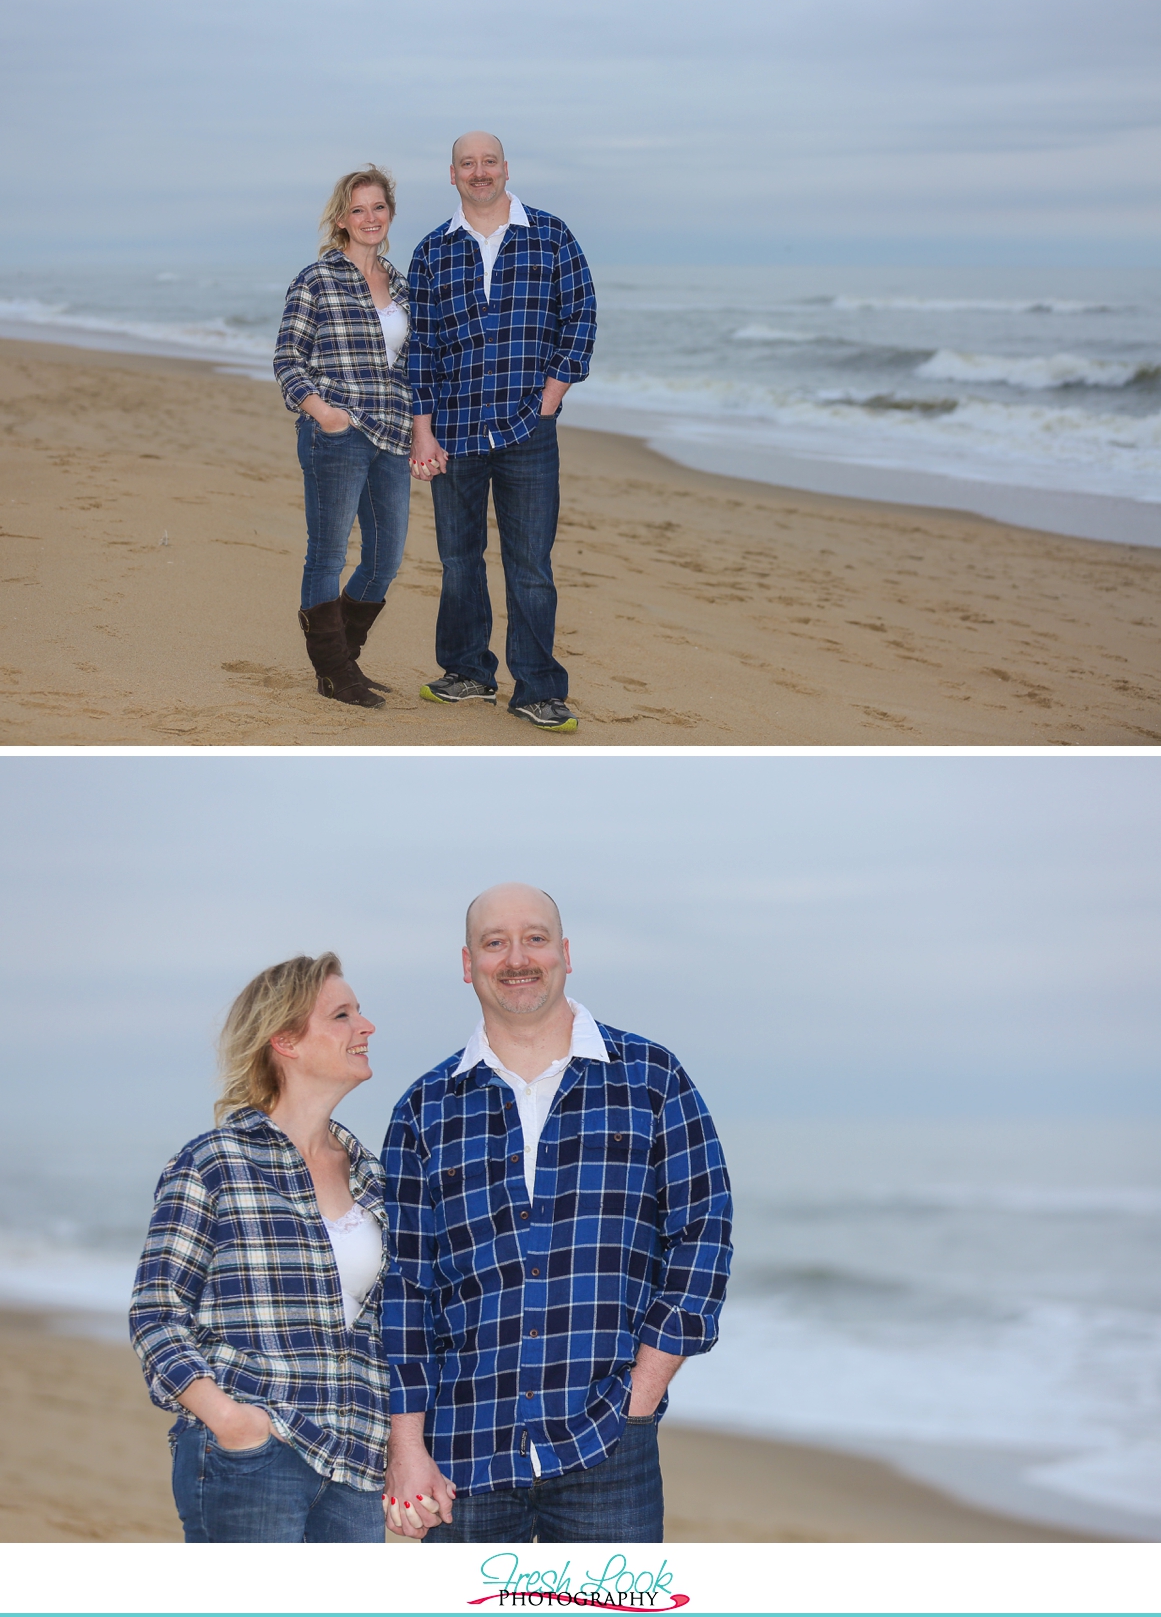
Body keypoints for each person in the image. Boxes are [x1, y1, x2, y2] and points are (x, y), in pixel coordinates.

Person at [379, 884, 732, 1543]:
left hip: (606, 1440)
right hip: (465, 1447)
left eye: (535, 938)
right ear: (467, 963)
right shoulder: (425, 1109)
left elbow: (703, 1236)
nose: (517, 958)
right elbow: (406, 1290)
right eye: (495, 942)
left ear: (565, 953)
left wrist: (641, 1395)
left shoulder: (651, 1081)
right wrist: (407, 1448)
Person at [130, 953, 412, 1542]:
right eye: (342, 1015)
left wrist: (404, 1451)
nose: (367, 1027)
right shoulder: (213, 1163)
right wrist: (231, 1421)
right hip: (254, 1454)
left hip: (355, 1465)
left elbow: (394, 1330)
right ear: (285, 1040)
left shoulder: (375, 1180)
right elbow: (156, 1314)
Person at [408, 133, 596, 734]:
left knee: (530, 567)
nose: (480, 172)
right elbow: (422, 350)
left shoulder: (550, 234)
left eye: (489, 162)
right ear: (454, 174)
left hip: (527, 431)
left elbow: (581, 317)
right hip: (454, 433)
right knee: (459, 561)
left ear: (505, 169)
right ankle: (467, 672)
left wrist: (550, 397)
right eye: (469, 164)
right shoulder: (432, 250)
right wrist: (423, 434)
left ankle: (537, 689)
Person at [274, 166, 413, 711]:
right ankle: (333, 672)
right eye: (358, 210)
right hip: (337, 434)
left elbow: (411, 365)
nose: (370, 218)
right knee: (327, 555)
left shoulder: (402, 285)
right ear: (341, 219)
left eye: (378, 208)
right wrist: (324, 413)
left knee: (385, 558)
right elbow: (288, 358)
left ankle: (345, 658)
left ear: (390, 215)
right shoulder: (316, 280)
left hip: (394, 435)